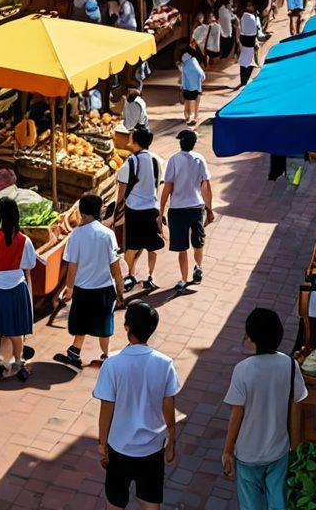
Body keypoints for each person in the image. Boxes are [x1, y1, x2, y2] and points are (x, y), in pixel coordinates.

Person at [93, 301, 179, 510]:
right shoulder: (165, 364)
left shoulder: (113, 364)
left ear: (127, 327)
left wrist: (102, 445)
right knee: (151, 503)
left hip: (120, 446)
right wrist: (172, 439)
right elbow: (168, 407)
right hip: (152, 446)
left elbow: (106, 409)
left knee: (116, 500)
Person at [222, 308, 308, 510]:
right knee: (278, 507)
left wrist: (228, 451)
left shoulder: (243, 370)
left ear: (252, 338)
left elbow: (236, 415)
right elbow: (296, 407)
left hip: (247, 455)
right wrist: (295, 447)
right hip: (279, 451)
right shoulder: (290, 365)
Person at [54, 194, 125, 370]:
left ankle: (75, 352)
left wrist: (69, 289)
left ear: (82, 213)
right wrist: (120, 288)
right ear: (98, 211)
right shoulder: (108, 234)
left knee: (80, 322)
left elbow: (72, 266)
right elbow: (114, 265)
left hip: (82, 289)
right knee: (104, 324)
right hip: (104, 289)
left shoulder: (76, 235)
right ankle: (106, 355)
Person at [0, 197, 37, 381]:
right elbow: (30, 263)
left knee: (4, 331)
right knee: (16, 330)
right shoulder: (24, 239)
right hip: (17, 287)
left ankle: (6, 366)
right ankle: (19, 363)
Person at [160, 129, 214, 292]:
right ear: (194, 143)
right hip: (196, 207)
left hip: (177, 209)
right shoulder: (200, 159)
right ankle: (198, 266)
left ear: (180, 143)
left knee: (182, 247)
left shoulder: (174, 160)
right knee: (198, 241)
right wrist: (209, 209)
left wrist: (160, 210)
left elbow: (168, 186)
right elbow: (206, 185)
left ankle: (183, 279)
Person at [115, 127, 164, 294]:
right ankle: (151, 276)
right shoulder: (157, 160)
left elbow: (121, 193)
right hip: (152, 208)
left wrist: (117, 213)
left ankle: (131, 273)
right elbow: (158, 184)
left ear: (135, 141)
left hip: (134, 210)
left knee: (131, 246)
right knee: (152, 245)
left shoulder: (129, 163)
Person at [177, 47, 205, 126]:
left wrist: (182, 87)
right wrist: (200, 80)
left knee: (187, 104)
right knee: (195, 104)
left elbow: (183, 78)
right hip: (195, 88)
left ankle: (188, 117)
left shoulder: (184, 65)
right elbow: (202, 74)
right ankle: (192, 119)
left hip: (186, 88)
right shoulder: (193, 62)